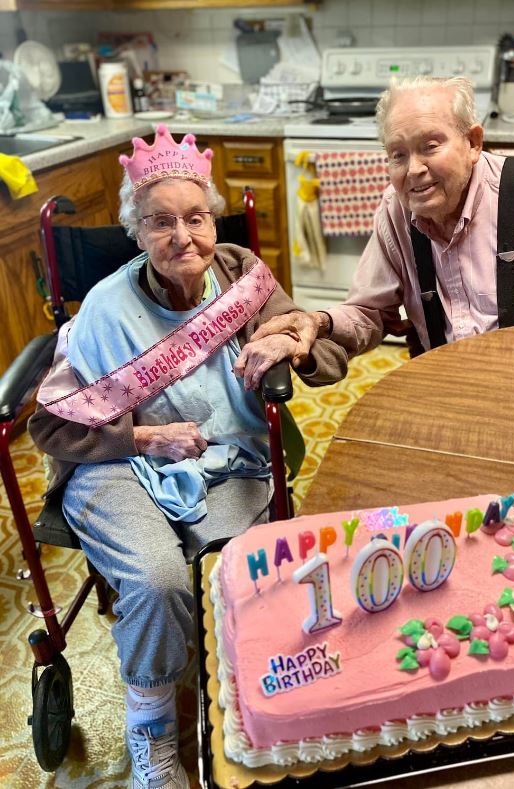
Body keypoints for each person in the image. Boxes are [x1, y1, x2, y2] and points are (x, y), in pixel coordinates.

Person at [28, 124, 347, 789]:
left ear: (214, 218)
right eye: (160, 222)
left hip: (226, 456)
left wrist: (294, 338)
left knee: (242, 569)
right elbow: (53, 430)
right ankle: (155, 744)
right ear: (136, 232)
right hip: (113, 468)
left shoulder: (238, 276)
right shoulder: (106, 311)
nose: (184, 237)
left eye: (196, 217)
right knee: (157, 579)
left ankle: (247, 702)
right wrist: (138, 438)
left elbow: (325, 358)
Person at [235, 75, 514, 371]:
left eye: (430, 145)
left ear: (472, 142)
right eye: (398, 154)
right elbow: (368, 312)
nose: (414, 170)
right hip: (441, 385)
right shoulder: (396, 210)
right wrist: (317, 321)